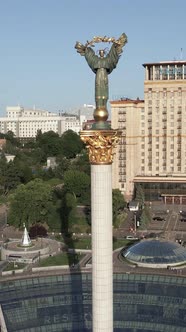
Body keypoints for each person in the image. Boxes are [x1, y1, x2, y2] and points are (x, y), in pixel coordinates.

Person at [75, 33, 127, 120]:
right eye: (100, 52)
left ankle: (103, 106)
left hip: (104, 77)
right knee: (98, 92)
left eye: (103, 52)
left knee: (104, 93)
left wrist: (115, 45)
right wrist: (86, 49)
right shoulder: (96, 60)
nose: (102, 53)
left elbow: (112, 56)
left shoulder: (107, 60)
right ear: (99, 53)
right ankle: (99, 107)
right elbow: (90, 57)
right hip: (99, 77)